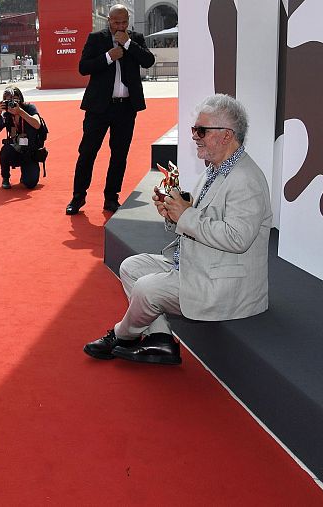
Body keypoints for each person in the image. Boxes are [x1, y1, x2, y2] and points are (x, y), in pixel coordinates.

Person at [83, 94, 272, 365]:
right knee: (131, 267)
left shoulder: (245, 179)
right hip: (200, 266)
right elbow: (196, 221)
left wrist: (185, 214)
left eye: (201, 130)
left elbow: (237, 238)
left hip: (226, 285)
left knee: (146, 289)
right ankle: (160, 340)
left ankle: (120, 335)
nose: (195, 136)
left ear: (227, 135)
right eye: (194, 129)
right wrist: (173, 215)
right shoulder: (215, 170)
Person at [66, 4, 155, 215]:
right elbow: (83, 67)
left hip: (126, 109)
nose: (120, 26)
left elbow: (148, 61)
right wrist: (108, 56)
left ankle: (111, 198)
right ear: (109, 20)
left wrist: (129, 44)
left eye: (124, 22)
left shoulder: (136, 39)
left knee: (119, 155)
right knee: (87, 153)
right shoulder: (96, 39)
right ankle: (78, 197)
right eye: (116, 22)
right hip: (98, 108)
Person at [0, 86, 43, 189]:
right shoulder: (7, 115)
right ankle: (5, 177)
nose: (12, 103)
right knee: (5, 150)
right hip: (16, 150)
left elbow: (37, 124)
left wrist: (20, 112)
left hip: (30, 151)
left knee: (30, 184)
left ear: (20, 99)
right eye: (8, 100)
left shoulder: (29, 108)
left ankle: (25, 172)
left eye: (14, 99)